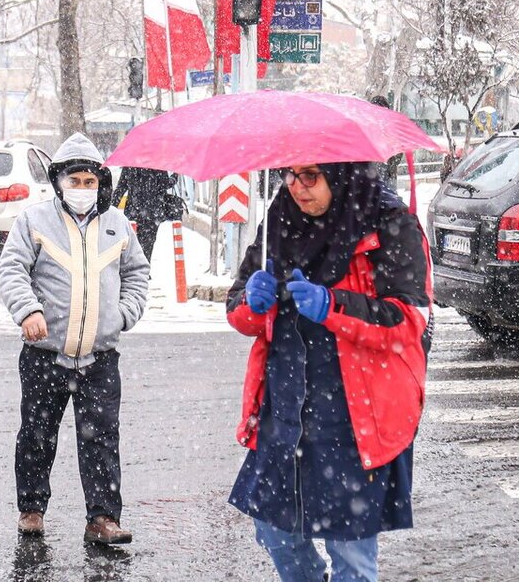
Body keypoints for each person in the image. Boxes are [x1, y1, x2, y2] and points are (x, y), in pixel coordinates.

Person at [226, 162, 432, 582]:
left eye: (309, 176)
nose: (296, 187)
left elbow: (409, 320)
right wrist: (251, 301)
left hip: (355, 417)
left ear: (340, 174)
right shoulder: (281, 217)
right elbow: (237, 307)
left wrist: (333, 305)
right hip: (286, 410)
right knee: (274, 530)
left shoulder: (389, 221)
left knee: (351, 553)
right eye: (288, 175)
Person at [0, 133, 151, 545]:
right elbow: (12, 269)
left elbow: (137, 274)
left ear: (101, 183)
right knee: (37, 434)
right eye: (74, 181)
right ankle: (31, 508)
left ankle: (101, 518)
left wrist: (123, 315)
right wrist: (28, 310)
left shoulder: (117, 226)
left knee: (101, 438)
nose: (82, 189)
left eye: (89, 182)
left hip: (99, 357)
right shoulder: (33, 221)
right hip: (44, 354)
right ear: (58, 182)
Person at [112, 166, 179, 263]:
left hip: (133, 212)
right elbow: (165, 184)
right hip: (153, 213)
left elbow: (120, 189)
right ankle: (144, 269)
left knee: (132, 244)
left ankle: (133, 269)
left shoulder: (130, 165)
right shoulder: (156, 164)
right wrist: (175, 176)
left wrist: (111, 209)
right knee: (148, 243)